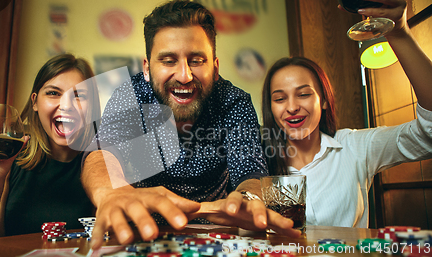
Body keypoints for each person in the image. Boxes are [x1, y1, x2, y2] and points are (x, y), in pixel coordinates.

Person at [82, 0, 301, 250]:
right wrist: (112, 193)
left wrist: (247, 200)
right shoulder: (130, 96)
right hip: (142, 237)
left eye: (196, 60)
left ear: (215, 68)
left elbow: (250, 172)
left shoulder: (234, 101)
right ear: (147, 68)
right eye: (168, 60)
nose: (184, 76)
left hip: (216, 238)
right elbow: (102, 154)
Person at [261, 0, 432, 228]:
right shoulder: (258, 162)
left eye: (303, 94)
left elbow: (427, 134)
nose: (291, 107)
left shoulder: (353, 147)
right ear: (271, 108)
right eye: (280, 99)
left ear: (323, 101)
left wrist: (400, 32)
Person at [0, 54, 99, 241]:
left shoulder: (103, 165)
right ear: (35, 102)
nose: (66, 105)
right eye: (53, 93)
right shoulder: (8, 159)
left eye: (78, 96)